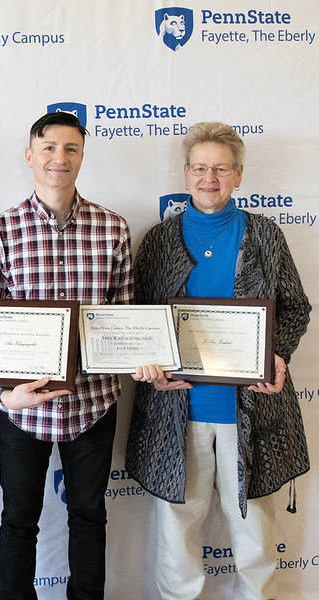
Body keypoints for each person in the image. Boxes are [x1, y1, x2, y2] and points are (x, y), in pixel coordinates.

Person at [125, 122, 311, 600]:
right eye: (201, 168)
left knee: (254, 532)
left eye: (221, 168)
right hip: (176, 410)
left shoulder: (266, 235)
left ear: (239, 175)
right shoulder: (158, 240)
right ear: (185, 174)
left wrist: (277, 354)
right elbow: (137, 318)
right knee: (177, 529)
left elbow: (294, 307)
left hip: (251, 409)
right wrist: (150, 364)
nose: (211, 177)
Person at [0, 111, 133, 600]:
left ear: (82, 156)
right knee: (18, 521)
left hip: (93, 404)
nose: (58, 158)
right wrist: (7, 396)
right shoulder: (0, 231)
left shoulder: (113, 228)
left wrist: (142, 356)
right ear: (30, 155)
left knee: (89, 518)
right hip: (23, 410)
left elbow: (124, 316)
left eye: (70, 149)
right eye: (48, 148)